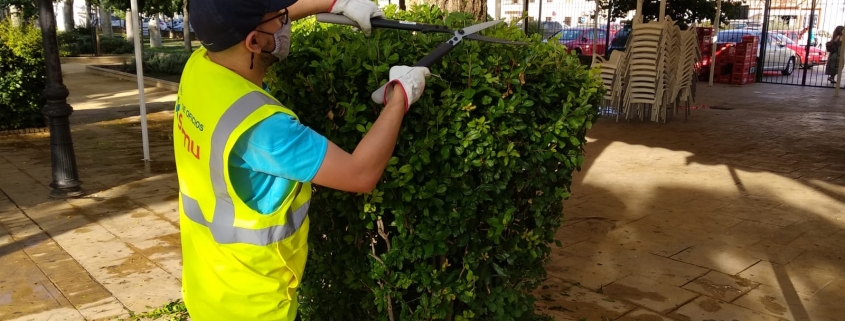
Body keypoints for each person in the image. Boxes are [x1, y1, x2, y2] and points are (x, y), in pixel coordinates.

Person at [172, 0, 431, 320]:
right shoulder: (262, 128)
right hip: (257, 308)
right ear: (253, 42)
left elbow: (250, 24)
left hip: (207, 293)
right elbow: (360, 174)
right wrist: (401, 96)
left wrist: (336, 2)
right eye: (279, 19)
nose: (286, 22)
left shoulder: (200, 67)